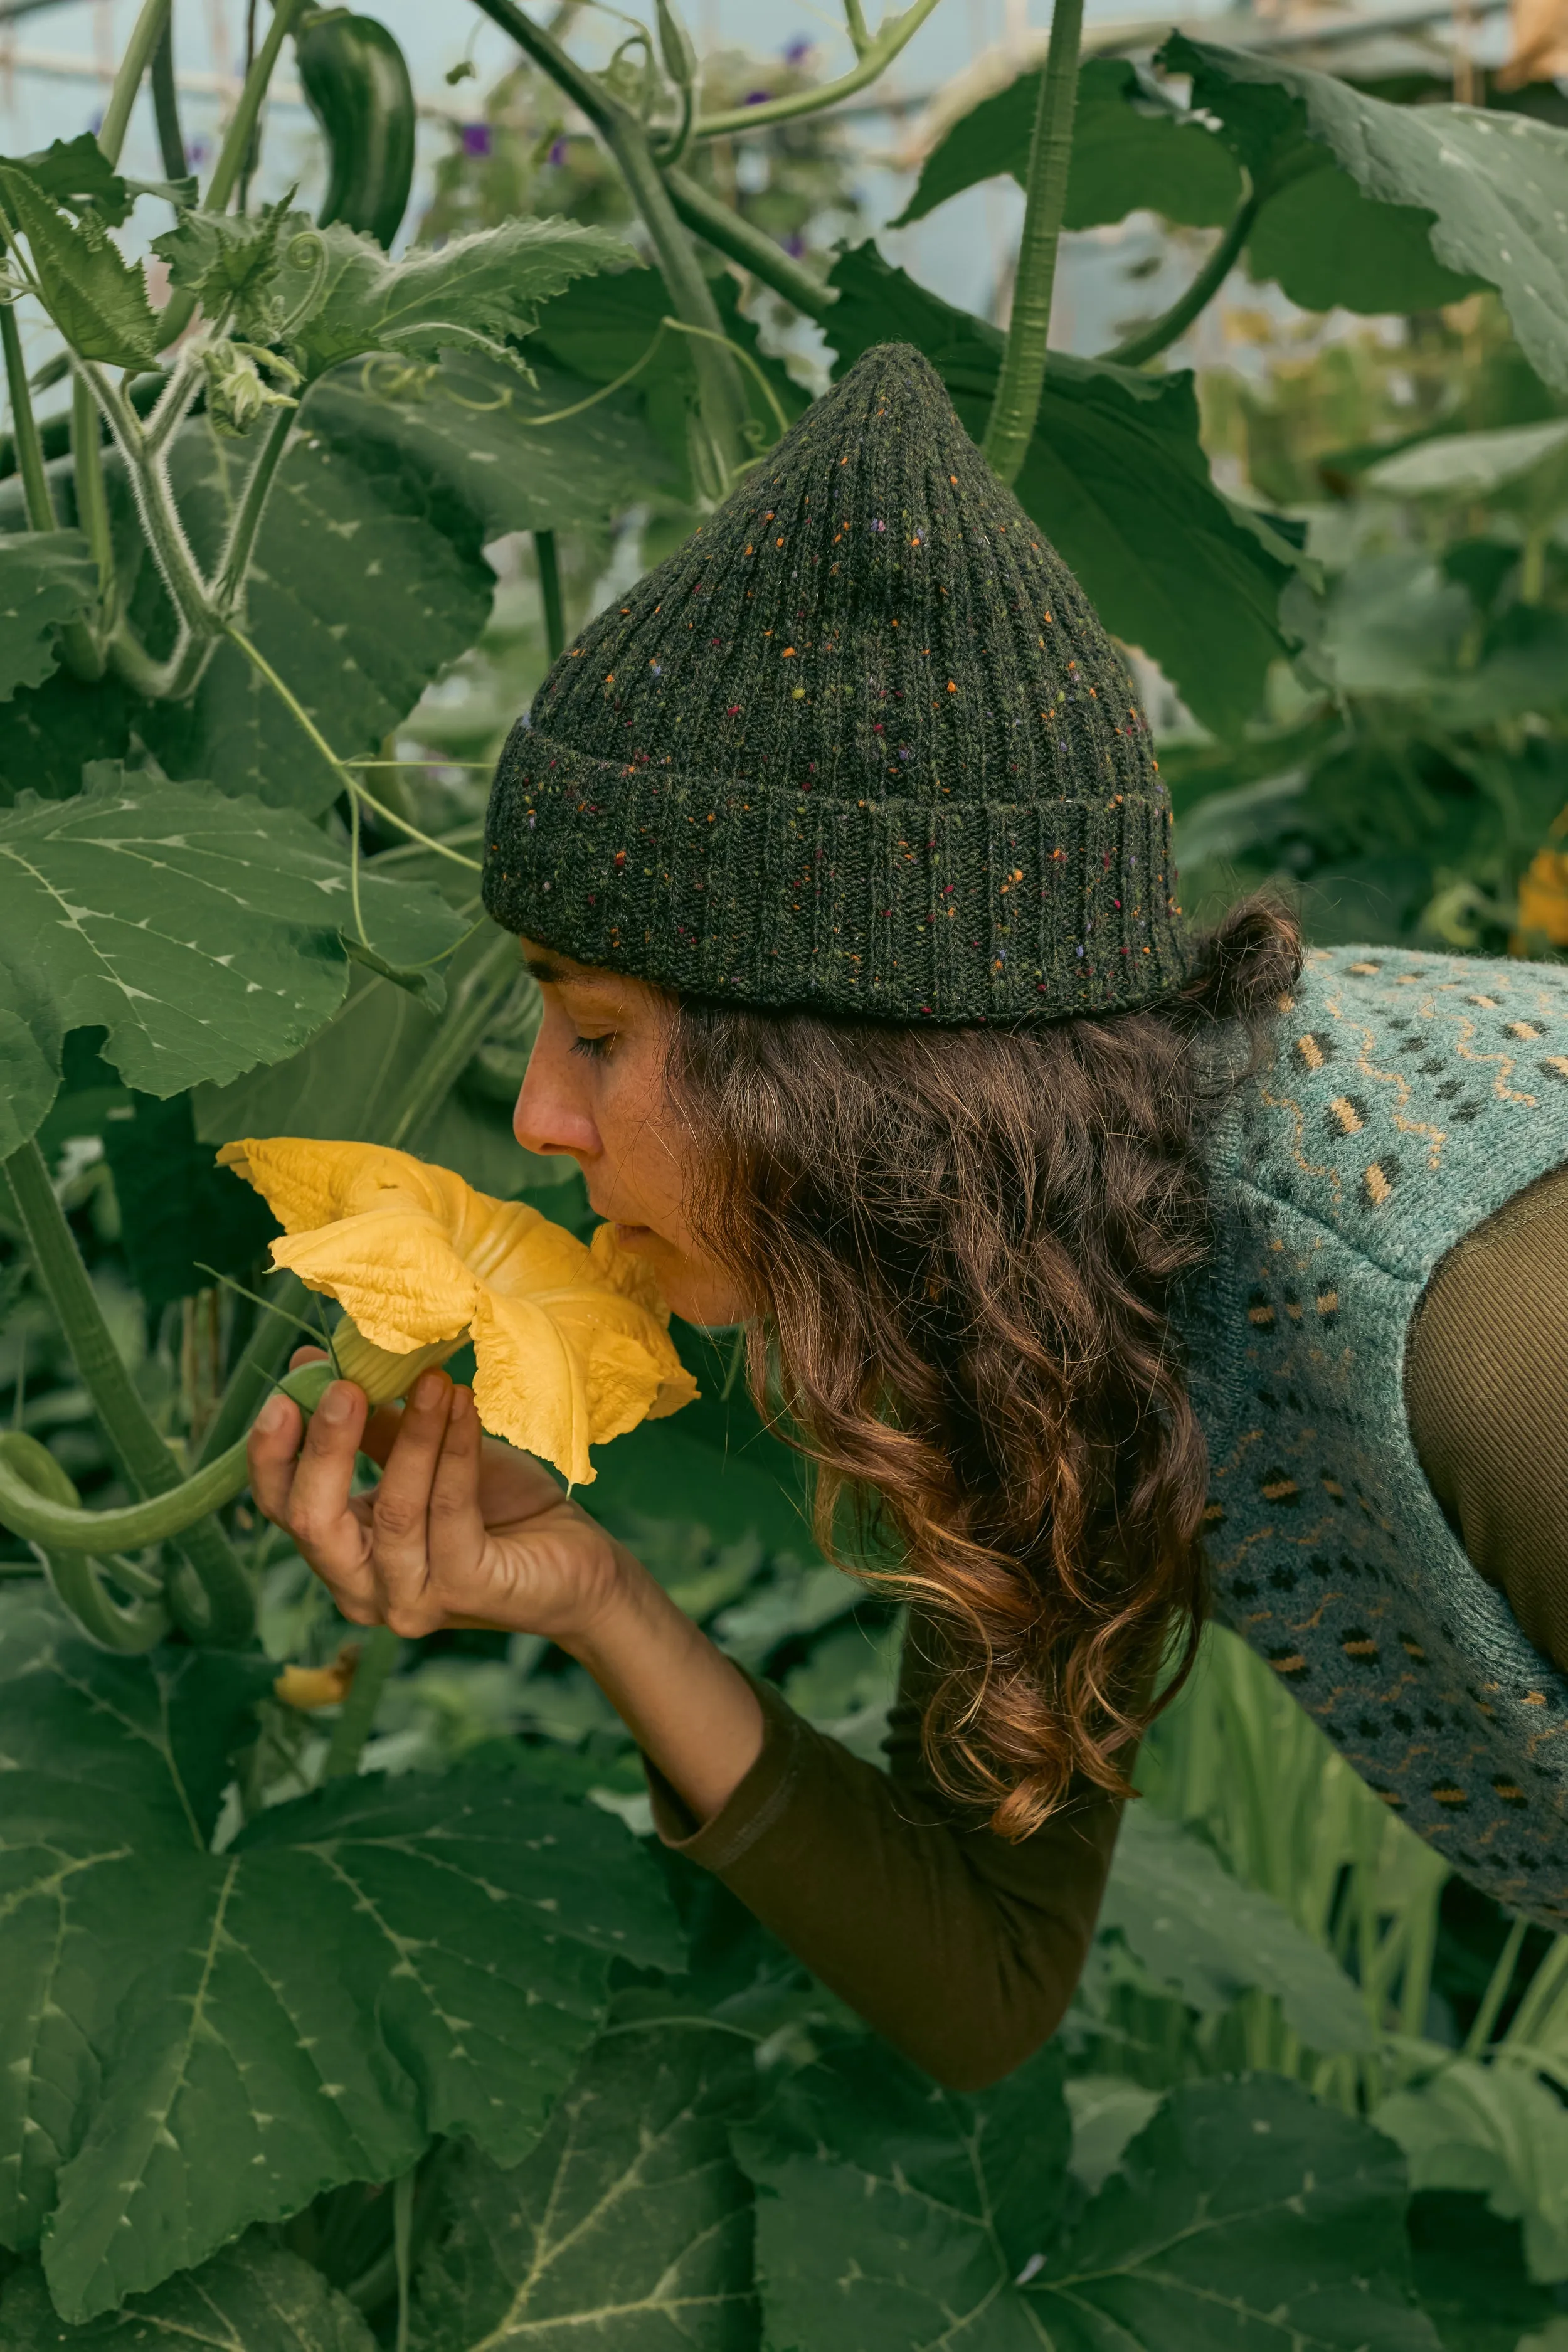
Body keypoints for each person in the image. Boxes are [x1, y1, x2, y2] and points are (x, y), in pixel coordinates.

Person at [248, 344, 1568, 2091]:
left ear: (842, 1076)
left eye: (596, 1034)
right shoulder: (1052, 1284)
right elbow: (983, 1968)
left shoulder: (1474, 1334)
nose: (537, 1119)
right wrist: (597, 1602)